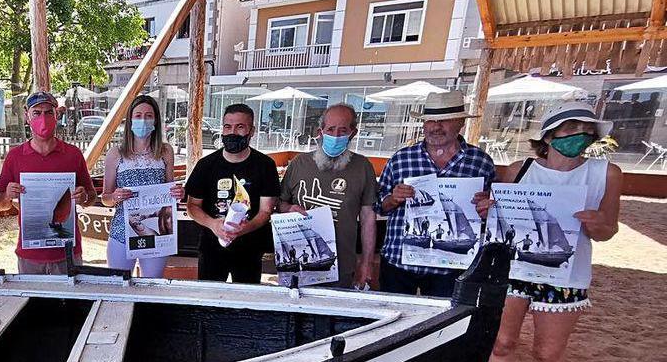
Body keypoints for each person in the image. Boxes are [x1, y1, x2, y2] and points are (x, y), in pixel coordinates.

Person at [467, 101, 622, 362]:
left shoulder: (605, 174)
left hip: (565, 276)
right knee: (502, 342)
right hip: (516, 269)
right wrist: (486, 207)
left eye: (585, 130)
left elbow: (609, 229)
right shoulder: (519, 170)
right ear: (549, 135)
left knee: (548, 354)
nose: (578, 136)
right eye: (569, 129)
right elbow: (496, 215)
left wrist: (597, 223)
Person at [374, 90, 495, 296]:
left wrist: (487, 208)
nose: (436, 127)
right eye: (430, 120)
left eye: (444, 120)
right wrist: (393, 199)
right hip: (399, 260)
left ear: (460, 123)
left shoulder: (480, 162)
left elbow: (492, 215)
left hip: (452, 265)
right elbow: (379, 205)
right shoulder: (401, 159)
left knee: (444, 325)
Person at [276, 103, 378, 289]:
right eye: (330, 129)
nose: (336, 135)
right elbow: (280, 204)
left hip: (342, 266)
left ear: (352, 133)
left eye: (343, 130)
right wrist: (289, 208)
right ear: (320, 132)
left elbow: (368, 218)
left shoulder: (363, 167)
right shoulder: (299, 164)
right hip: (298, 264)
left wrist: (366, 263)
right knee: (295, 317)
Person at [0, 92, 97, 274]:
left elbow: (91, 197)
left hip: (68, 253)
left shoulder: (73, 155)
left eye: (49, 112)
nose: (43, 118)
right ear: (27, 116)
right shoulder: (15, 157)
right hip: (30, 254)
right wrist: (8, 196)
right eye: (37, 113)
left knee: (71, 302)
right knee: (33, 303)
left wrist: (83, 197)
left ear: (57, 115)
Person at [184, 103, 281, 283]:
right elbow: (192, 206)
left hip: (250, 248)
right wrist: (213, 224)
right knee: (208, 300)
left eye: (240, 127)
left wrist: (246, 228)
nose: (232, 132)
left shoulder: (265, 165)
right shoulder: (206, 165)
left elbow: (265, 211)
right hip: (211, 247)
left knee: (245, 302)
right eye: (228, 127)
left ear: (251, 131)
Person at [100, 95, 184, 277]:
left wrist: (178, 192)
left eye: (148, 115)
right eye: (138, 116)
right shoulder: (116, 154)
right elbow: (105, 198)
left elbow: (170, 190)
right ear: (130, 120)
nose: (143, 120)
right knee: (118, 286)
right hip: (122, 232)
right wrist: (114, 197)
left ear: (156, 120)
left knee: (152, 286)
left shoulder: (165, 151)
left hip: (158, 235)